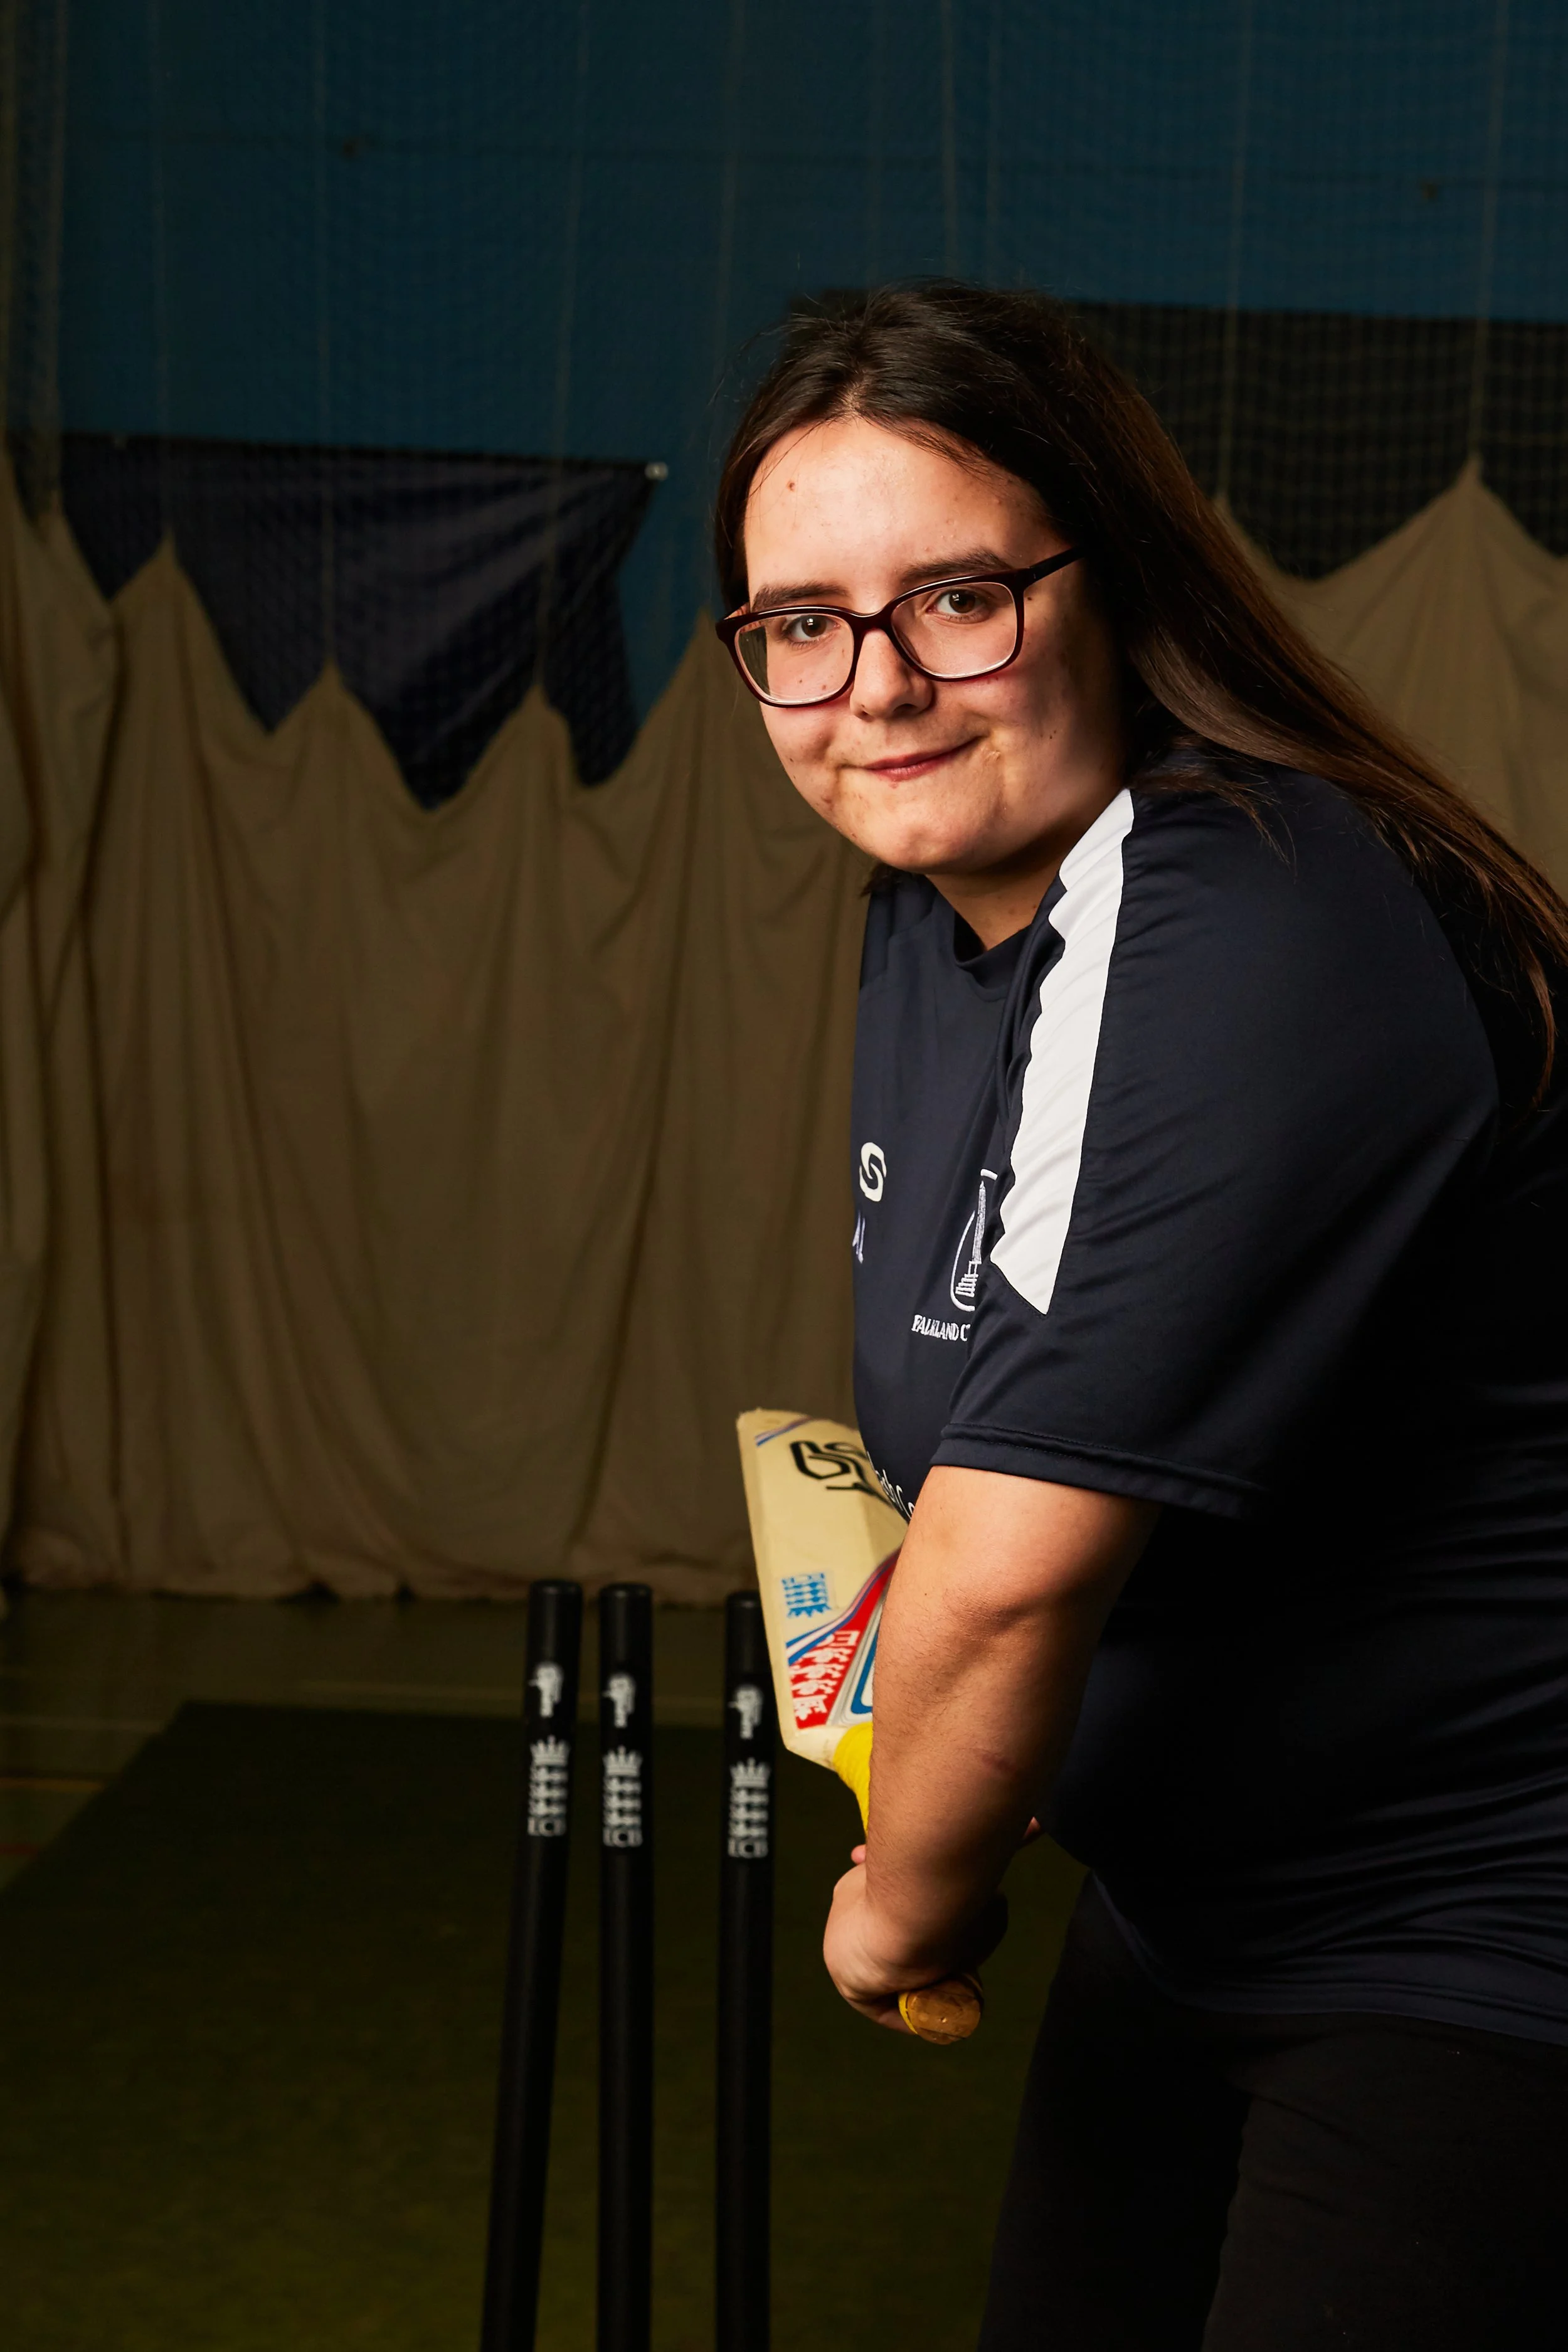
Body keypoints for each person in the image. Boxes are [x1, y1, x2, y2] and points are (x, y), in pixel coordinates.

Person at [712, 283, 1568, 2351]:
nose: (876, 686)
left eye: (959, 597)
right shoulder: (932, 925)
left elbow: (1011, 1584)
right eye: (800, 625)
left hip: (1478, 1938)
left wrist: (899, 1892)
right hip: (1198, 1919)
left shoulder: (1237, 907)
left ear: (1112, 577)